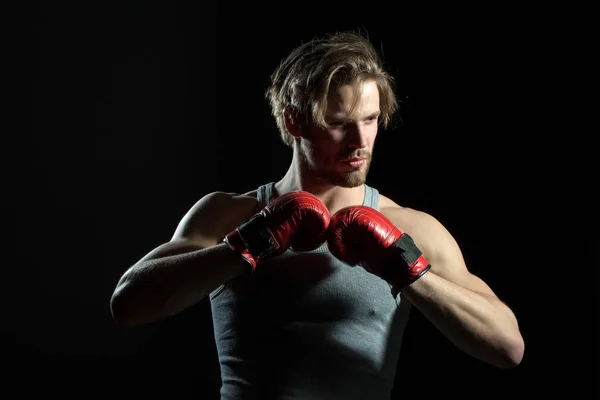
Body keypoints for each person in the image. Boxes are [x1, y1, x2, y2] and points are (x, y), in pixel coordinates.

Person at [110, 31, 525, 399]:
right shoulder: (229, 214)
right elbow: (128, 305)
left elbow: (508, 347)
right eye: (339, 124)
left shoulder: (413, 228)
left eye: (371, 119)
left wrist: (407, 267)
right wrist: (250, 243)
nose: (361, 141)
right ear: (294, 121)